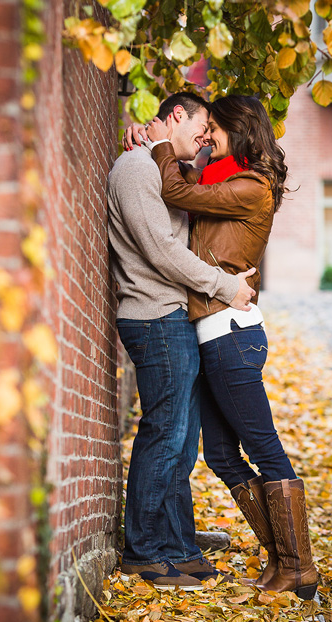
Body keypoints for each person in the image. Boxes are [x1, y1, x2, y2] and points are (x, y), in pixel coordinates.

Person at [130, 95, 318, 599]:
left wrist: (160, 145)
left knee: (265, 451)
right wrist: (148, 142)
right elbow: (187, 185)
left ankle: (298, 566)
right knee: (220, 454)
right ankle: (281, 559)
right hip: (213, 335)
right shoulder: (224, 180)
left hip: (232, 337)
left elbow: (173, 189)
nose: (208, 136)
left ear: (240, 130)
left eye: (214, 128)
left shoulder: (251, 188)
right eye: (204, 127)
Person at [107, 92, 258, 590]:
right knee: (165, 435)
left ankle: (177, 545)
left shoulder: (163, 167)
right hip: (153, 318)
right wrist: (225, 286)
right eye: (201, 128)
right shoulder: (135, 169)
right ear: (175, 116)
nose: (205, 139)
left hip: (174, 318)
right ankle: (143, 551)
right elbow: (162, 252)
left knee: (181, 440)